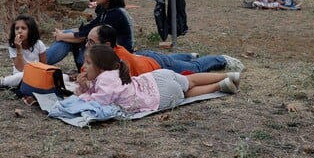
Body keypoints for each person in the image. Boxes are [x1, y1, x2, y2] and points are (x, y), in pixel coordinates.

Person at [74, 45, 240, 113]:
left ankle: (219, 86)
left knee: (188, 93)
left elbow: (98, 102)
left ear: (102, 67)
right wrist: (86, 86)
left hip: (160, 95)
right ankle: (226, 76)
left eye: (88, 63)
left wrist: (81, 93)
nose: (84, 67)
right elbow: (103, 92)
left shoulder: (103, 79)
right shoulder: (114, 73)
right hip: (157, 76)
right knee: (190, 81)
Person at [86, 24, 245, 76]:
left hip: (158, 64)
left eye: (91, 42)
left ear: (106, 45)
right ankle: (188, 55)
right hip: (145, 57)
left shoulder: (120, 61)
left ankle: (222, 59)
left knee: (195, 69)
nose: (87, 45)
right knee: (172, 59)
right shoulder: (100, 55)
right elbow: (86, 71)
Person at [48, 0, 134, 69]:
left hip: (118, 58)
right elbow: (88, 27)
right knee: (68, 35)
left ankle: (41, 61)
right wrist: (63, 32)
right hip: (108, 52)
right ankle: (41, 60)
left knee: (69, 40)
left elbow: (85, 36)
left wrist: (61, 36)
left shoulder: (115, 14)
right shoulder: (107, 11)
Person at [0, 15, 47, 89]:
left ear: (31, 30)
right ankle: (2, 82)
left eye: (23, 28)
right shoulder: (13, 46)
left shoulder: (38, 44)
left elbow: (44, 64)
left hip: (36, 73)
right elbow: (20, 68)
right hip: (20, 74)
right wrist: (19, 49)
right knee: (21, 76)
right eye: (17, 28)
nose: (19, 31)